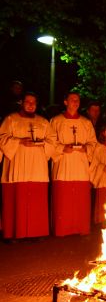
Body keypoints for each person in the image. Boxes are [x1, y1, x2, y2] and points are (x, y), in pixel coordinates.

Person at [0, 92, 56, 240]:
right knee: (16, 199)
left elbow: (52, 141)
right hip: (16, 165)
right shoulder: (11, 119)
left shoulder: (43, 122)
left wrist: (42, 143)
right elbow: (2, 138)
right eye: (28, 102)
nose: (31, 105)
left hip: (37, 167)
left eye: (34, 103)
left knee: (36, 201)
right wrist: (19, 141)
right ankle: (13, 233)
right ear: (21, 103)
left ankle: (36, 233)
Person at [50, 92, 97, 236]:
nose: (75, 102)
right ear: (65, 102)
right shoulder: (56, 121)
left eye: (77, 100)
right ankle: (62, 229)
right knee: (63, 199)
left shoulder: (86, 122)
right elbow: (50, 142)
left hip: (81, 165)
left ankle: (80, 228)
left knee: (80, 199)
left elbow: (93, 143)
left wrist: (86, 148)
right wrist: (62, 148)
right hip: (63, 164)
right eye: (72, 100)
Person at [89, 123, 106, 228]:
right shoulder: (99, 148)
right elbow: (94, 163)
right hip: (103, 178)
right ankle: (102, 222)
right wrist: (103, 167)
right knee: (103, 201)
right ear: (103, 133)